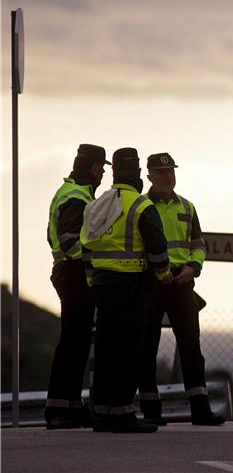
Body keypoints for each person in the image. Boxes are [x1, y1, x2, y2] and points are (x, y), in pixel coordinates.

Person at [80, 147, 172, 433]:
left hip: (103, 285)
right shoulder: (141, 205)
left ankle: (103, 413)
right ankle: (123, 413)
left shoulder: (98, 204)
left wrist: (92, 278)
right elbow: (157, 246)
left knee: (106, 349)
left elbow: (86, 246)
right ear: (137, 174)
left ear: (116, 172)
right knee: (130, 349)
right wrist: (163, 273)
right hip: (131, 285)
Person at [137, 152, 224, 426]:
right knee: (147, 347)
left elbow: (198, 244)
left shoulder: (187, 207)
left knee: (191, 347)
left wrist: (193, 268)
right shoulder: (140, 206)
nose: (167, 176)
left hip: (182, 283)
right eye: (161, 172)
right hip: (151, 282)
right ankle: (151, 411)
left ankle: (200, 410)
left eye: (171, 171)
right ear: (149, 175)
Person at [44, 144, 109, 429]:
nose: (104, 173)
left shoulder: (71, 192)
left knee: (78, 343)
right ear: (95, 168)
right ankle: (59, 410)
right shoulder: (77, 197)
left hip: (69, 272)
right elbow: (71, 241)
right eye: (102, 168)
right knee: (73, 343)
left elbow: (55, 237)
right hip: (75, 273)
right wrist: (96, 260)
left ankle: (69, 407)